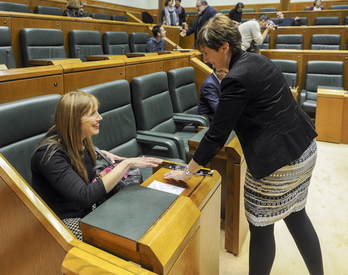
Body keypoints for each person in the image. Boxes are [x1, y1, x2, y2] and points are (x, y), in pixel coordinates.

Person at [164, 15, 323, 275]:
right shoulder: (257, 59)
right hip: (304, 149)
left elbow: (217, 134)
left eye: (206, 53)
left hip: (277, 164)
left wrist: (187, 171)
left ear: (224, 47)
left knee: (260, 227)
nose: (204, 60)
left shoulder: (235, 80)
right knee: (297, 214)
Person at [31, 91, 162, 240]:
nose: (100, 117)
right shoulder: (49, 155)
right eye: (93, 113)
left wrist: (100, 155)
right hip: (63, 221)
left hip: (87, 209)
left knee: (139, 213)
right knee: (122, 237)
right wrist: (126, 163)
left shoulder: (79, 139)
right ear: (74, 119)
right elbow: (84, 196)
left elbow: (81, 168)